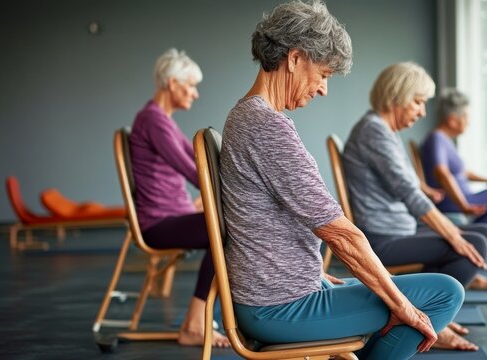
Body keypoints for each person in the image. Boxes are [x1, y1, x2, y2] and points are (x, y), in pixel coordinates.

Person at [219, 2, 463, 359]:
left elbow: (268, 223)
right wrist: (402, 306)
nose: (323, 89)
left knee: (403, 294)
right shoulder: (266, 127)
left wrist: (316, 274)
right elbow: (340, 234)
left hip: (281, 293)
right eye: (324, 74)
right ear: (295, 58)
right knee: (445, 292)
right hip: (280, 308)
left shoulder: (249, 116)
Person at [342, 62, 487, 351]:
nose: (422, 112)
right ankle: (430, 322)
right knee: (472, 244)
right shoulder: (374, 131)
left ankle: (424, 308)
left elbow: (409, 186)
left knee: (482, 237)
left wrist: (453, 228)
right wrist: (453, 234)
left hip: (398, 229)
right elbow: (410, 194)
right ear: (397, 97)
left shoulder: (384, 131)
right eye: (418, 102)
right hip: (382, 239)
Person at [129, 48, 229, 348]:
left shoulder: (161, 120)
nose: (196, 94)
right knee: (223, 230)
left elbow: (199, 160)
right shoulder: (153, 120)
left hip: (172, 214)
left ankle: (205, 318)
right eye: (191, 85)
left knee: (225, 225)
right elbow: (192, 172)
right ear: (172, 83)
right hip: (159, 224)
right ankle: (195, 325)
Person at [421, 88, 487, 227]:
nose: (468, 121)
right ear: (452, 120)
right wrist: (463, 205)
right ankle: (481, 230)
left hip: (462, 198)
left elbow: (463, 173)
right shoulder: (437, 138)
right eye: (466, 116)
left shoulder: (442, 139)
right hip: (455, 202)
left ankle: (479, 230)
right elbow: (441, 173)